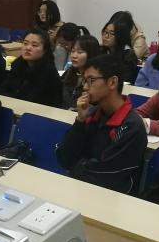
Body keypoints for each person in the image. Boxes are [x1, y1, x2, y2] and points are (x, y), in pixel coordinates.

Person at [56, 54, 148, 194]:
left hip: (113, 198)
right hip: (80, 189)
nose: (85, 87)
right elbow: (64, 159)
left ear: (112, 82)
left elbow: (106, 175)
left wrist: (77, 165)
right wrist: (80, 120)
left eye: (91, 80)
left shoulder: (131, 126)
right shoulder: (90, 114)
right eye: (84, 81)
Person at [2, 29, 63, 107]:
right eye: (25, 43)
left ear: (45, 50)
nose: (28, 48)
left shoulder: (50, 73)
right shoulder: (17, 65)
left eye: (34, 45)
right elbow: (5, 89)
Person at [63, 34, 103, 109]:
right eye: (73, 51)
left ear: (91, 53)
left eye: (80, 52)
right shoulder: (69, 72)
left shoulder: (96, 79)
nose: (74, 56)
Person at [101, 12, 139, 82]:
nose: (106, 36)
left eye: (111, 33)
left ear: (121, 36)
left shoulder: (128, 56)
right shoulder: (101, 51)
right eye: (106, 32)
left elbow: (124, 81)